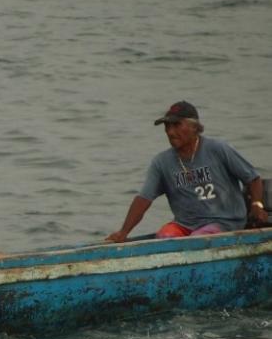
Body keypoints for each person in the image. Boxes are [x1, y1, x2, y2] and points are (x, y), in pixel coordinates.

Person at [106, 100, 267, 243]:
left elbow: (253, 178)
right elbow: (144, 199)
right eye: (167, 126)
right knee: (164, 237)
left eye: (176, 125)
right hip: (186, 225)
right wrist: (123, 232)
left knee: (196, 240)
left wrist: (256, 205)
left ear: (194, 127)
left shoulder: (218, 149)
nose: (170, 131)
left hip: (225, 223)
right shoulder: (161, 162)